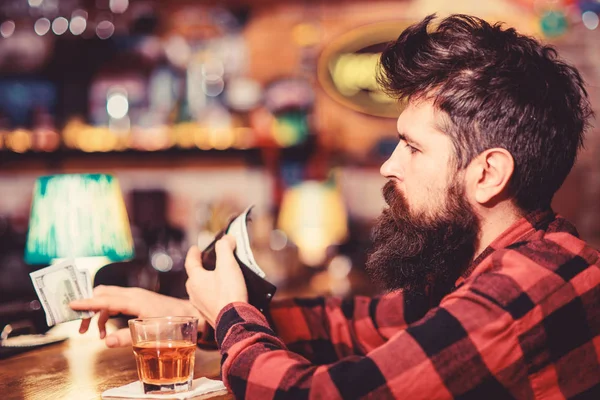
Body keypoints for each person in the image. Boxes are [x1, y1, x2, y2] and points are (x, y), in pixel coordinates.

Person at [71, 14, 600, 399]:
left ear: (487, 174)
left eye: (413, 147)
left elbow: (326, 395)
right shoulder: (509, 262)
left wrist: (233, 320)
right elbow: (350, 325)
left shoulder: (516, 295)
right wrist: (197, 317)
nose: (388, 166)